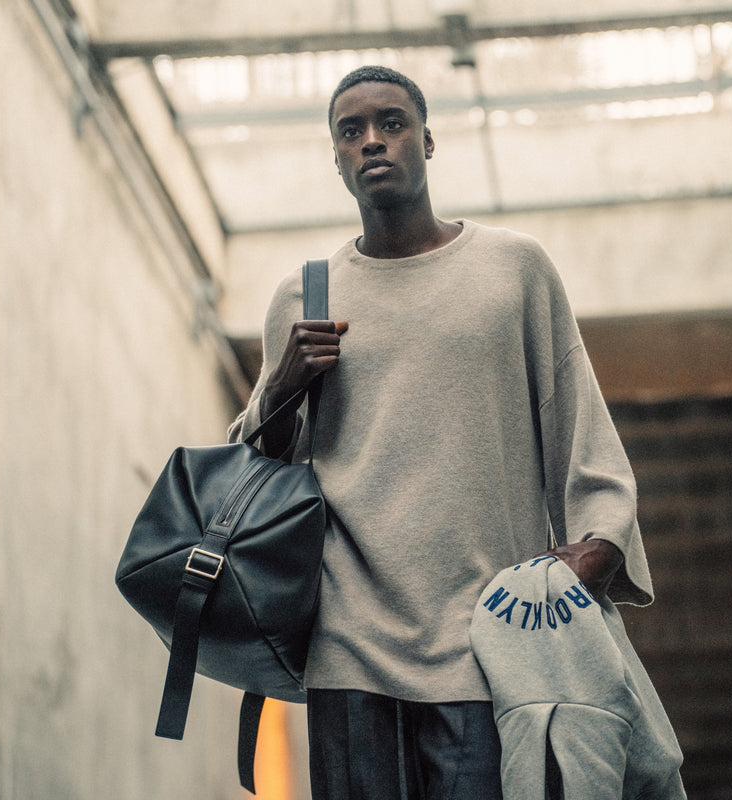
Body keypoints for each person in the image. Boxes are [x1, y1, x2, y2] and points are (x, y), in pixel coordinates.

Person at [228, 65, 654, 800]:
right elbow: (250, 468)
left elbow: (580, 425)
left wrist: (600, 546)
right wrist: (282, 385)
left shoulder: (513, 270)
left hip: (491, 638)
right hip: (348, 649)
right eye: (351, 131)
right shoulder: (305, 297)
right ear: (336, 159)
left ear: (427, 141)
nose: (372, 141)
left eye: (392, 123)